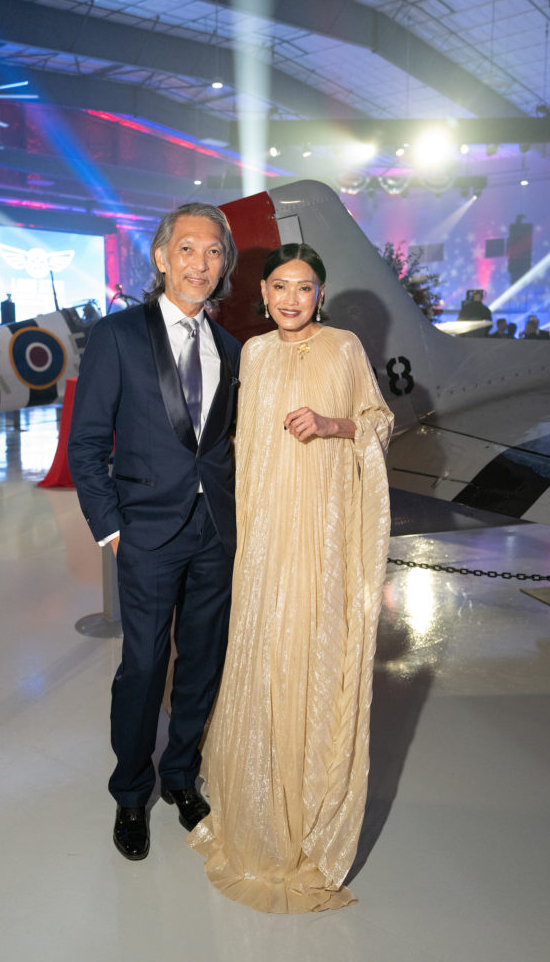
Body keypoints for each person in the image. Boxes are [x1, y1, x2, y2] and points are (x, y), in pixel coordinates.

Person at [188, 243, 393, 913]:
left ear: (319, 295)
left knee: (312, 654)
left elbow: (378, 422)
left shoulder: (343, 349)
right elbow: (244, 449)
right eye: (279, 286)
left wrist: (332, 424)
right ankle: (256, 812)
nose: (290, 299)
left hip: (324, 535)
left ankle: (309, 816)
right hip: (268, 533)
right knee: (263, 658)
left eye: (303, 288)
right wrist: (240, 536)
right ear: (264, 291)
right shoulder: (253, 353)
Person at [67, 203, 241, 862]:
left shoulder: (231, 348)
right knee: (142, 667)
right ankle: (131, 792)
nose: (201, 263)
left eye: (214, 252)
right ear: (162, 257)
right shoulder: (116, 336)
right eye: (189, 249)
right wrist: (111, 529)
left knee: (201, 663)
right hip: (143, 533)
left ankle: (179, 778)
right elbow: (86, 443)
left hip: (215, 534)